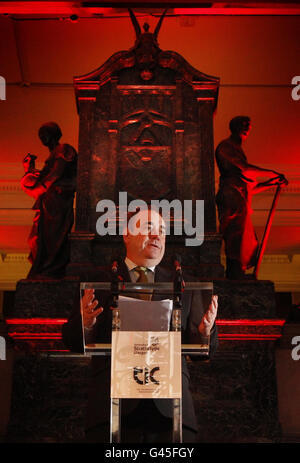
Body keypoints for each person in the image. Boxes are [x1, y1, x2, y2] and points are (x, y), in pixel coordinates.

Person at [62, 208, 218, 443]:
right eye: (148, 228)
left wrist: (205, 333)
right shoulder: (98, 282)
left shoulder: (185, 286)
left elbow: (201, 351)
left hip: (171, 411)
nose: (157, 236)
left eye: (162, 231)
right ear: (127, 234)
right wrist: (85, 323)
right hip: (112, 408)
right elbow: (72, 340)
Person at [215, 116, 287, 280]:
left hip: (240, 197)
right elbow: (245, 170)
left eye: (248, 125)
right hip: (232, 198)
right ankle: (234, 272)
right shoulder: (225, 146)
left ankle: (238, 271)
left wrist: (272, 182)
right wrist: (273, 173)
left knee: (246, 239)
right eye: (243, 124)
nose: (246, 127)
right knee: (235, 235)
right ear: (233, 127)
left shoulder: (238, 149)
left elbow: (249, 187)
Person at [21, 122, 77, 279]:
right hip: (48, 202)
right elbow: (43, 179)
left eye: (45, 133)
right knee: (37, 238)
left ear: (54, 133)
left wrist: (39, 188)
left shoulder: (63, 149)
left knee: (53, 236)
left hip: (58, 202)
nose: (42, 138)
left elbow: (54, 175)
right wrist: (29, 169)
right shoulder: (52, 155)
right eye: (40, 135)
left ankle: (51, 268)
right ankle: (44, 267)